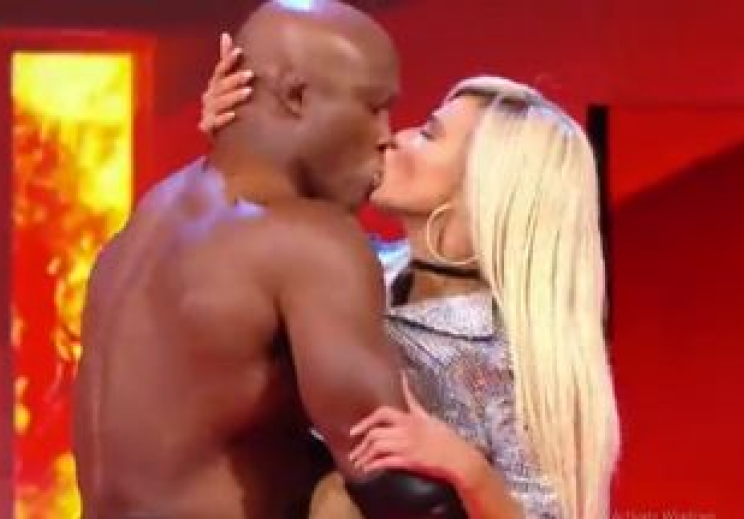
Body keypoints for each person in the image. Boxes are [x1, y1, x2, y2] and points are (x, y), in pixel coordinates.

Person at [73, 1, 466, 518]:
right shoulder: (309, 241)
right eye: (374, 107)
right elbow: (394, 480)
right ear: (296, 96)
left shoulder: (152, 217)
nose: (386, 135)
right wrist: (483, 481)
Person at [201, 49, 621, 518]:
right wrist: (233, 144)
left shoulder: (510, 365)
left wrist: (467, 471)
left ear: (481, 190)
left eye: (428, 134)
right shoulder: (349, 267)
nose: (394, 138)